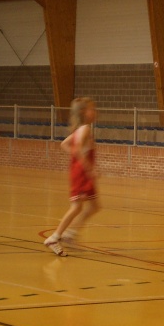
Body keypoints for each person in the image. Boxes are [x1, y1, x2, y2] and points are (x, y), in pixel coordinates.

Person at [44, 97, 101, 256]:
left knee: (95, 206)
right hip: (81, 173)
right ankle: (55, 237)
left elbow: (65, 144)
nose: (95, 112)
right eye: (92, 109)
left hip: (80, 170)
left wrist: (81, 160)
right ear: (84, 112)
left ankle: (70, 234)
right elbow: (75, 149)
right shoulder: (85, 130)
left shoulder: (81, 129)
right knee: (76, 207)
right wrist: (89, 168)